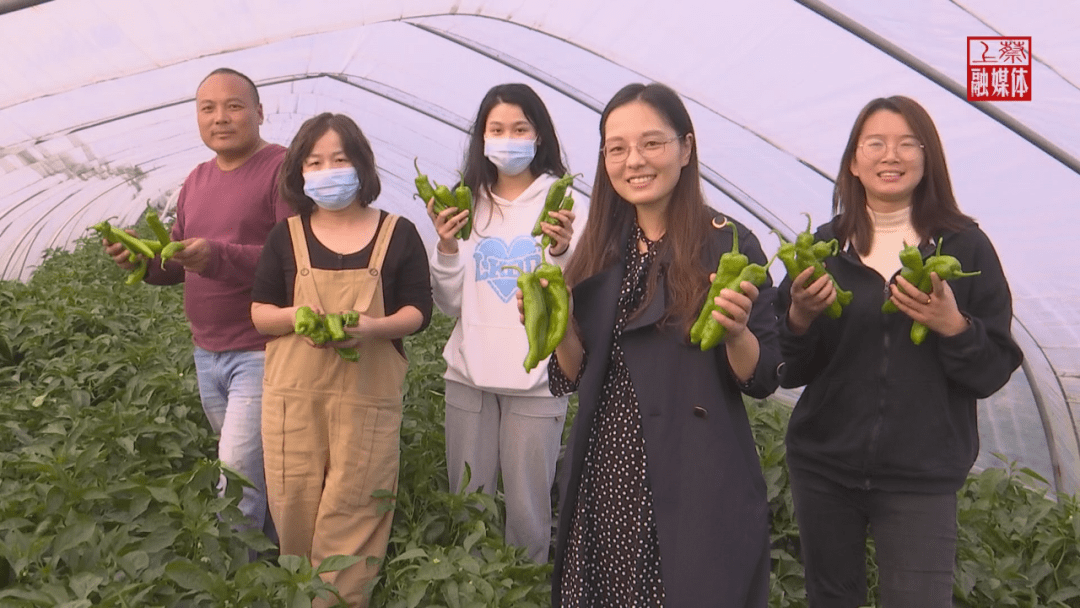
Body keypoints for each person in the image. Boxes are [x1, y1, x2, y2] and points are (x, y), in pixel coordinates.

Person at [533, 82, 780, 607]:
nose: (633, 161)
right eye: (617, 148)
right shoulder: (599, 247)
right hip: (607, 473)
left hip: (693, 474)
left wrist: (736, 333)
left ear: (686, 149)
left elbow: (762, 375)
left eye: (652, 143)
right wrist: (555, 326)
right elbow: (573, 373)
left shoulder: (727, 243)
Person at [778, 95, 1023, 608]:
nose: (891, 156)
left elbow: (993, 368)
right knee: (830, 598)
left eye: (907, 143)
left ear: (927, 157)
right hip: (824, 465)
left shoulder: (964, 247)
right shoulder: (825, 248)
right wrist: (799, 316)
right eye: (876, 144)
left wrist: (953, 326)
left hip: (921, 475)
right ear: (854, 161)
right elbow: (789, 366)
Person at [250, 112, 432, 607]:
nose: (328, 171)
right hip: (294, 402)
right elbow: (260, 313)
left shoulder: (398, 233)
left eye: (340, 159)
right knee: (294, 506)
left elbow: (419, 310)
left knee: (356, 509)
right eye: (315, 161)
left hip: (365, 400)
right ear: (300, 172)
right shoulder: (285, 237)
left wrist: (374, 327)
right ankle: (300, 596)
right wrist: (297, 317)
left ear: (362, 167)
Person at [103, 67, 289, 541]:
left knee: (236, 474)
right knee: (253, 468)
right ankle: (274, 563)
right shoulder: (197, 179)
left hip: (260, 350)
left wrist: (216, 255)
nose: (220, 117)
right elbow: (181, 261)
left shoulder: (281, 169)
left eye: (233, 106)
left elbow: (293, 260)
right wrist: (142, 263)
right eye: (208, 108)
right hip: (207, 352)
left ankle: (236, 578)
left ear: (260, 112)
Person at [426, 83, 576, 563]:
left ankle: (522, 589)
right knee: (468, 502)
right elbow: (451, 304)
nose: (507, 139)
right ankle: (473, 586)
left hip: (537, 378)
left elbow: (574, 299)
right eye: (497, 129)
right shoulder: (465, 202)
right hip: (469, 375)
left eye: (519, 129)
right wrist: (447, 247)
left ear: (539, 136)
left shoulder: (563, 203)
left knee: (529, 514)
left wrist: (560, 250)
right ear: (482, 137)